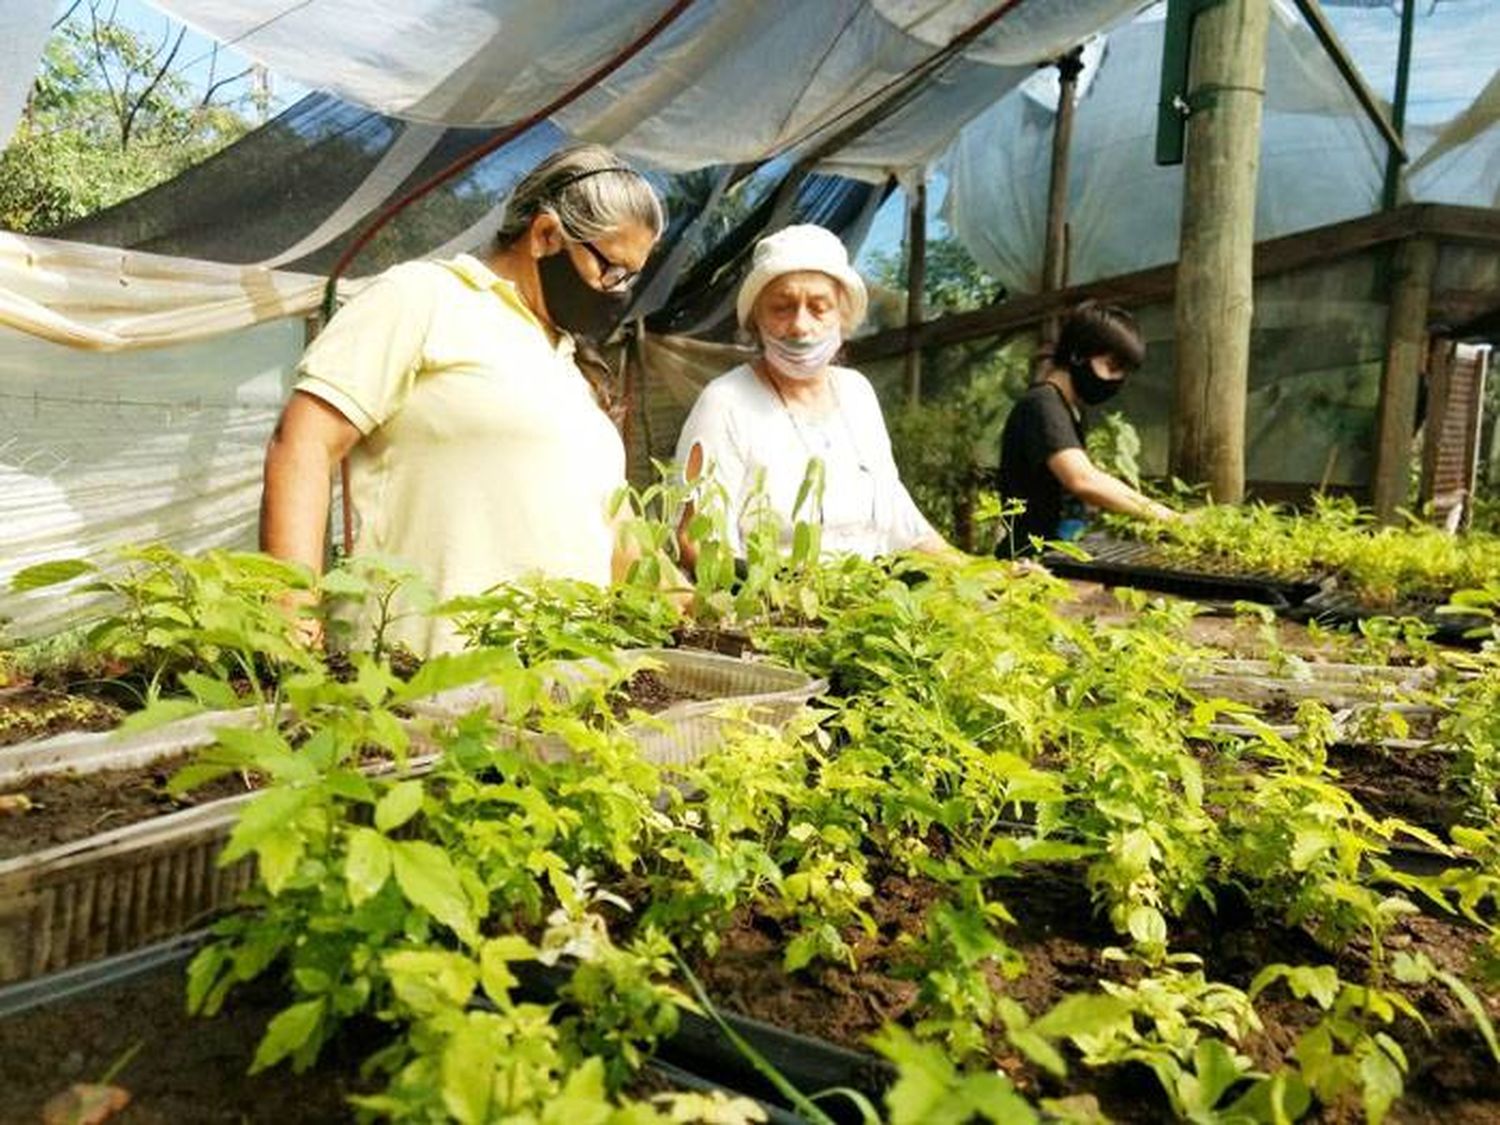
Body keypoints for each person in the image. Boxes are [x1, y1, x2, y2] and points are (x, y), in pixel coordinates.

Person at [260, 143, 664, 656]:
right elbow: (303, 444)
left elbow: (610, 530)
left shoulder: (572, 365)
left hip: (558, 693)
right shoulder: (424, 298)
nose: (620, 293)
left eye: (632, 278)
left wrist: (682, 607)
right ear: (545, 235)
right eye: (613, 270)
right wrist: (292, 633)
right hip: (420, 676)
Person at [674, 224, 948, 567]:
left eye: (819, 307)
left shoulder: (857, 393)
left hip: (872, 601)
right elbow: (692, 539)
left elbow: (903, 523)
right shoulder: (726, 401)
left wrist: (988, 574)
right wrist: (778, 601)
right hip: (770, 612)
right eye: (781, 307)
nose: (801, 326)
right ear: (756, 319)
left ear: (843, 316)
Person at [995, 301, 1177, 558]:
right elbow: (1083, 480)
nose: (1117, 381)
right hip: (1027, 563)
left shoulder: (1069, 410)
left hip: (1052, 557)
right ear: (1078, 354)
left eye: (1123, 373)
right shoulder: (1042, 405)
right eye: (1113, 367)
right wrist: (1170, 518)